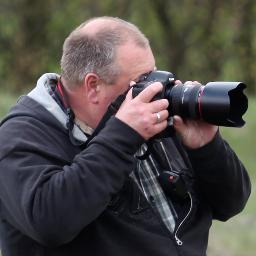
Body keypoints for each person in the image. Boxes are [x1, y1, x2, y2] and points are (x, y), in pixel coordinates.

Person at [0, 16, 251, 256]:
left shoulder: (154, 117)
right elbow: (50, 222)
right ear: (93, 86)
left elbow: (231, 203)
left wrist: (207, 147)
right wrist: (123, 135)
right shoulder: (19, 137)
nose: (153, 89)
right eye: (140, 82)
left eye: (153, 74)